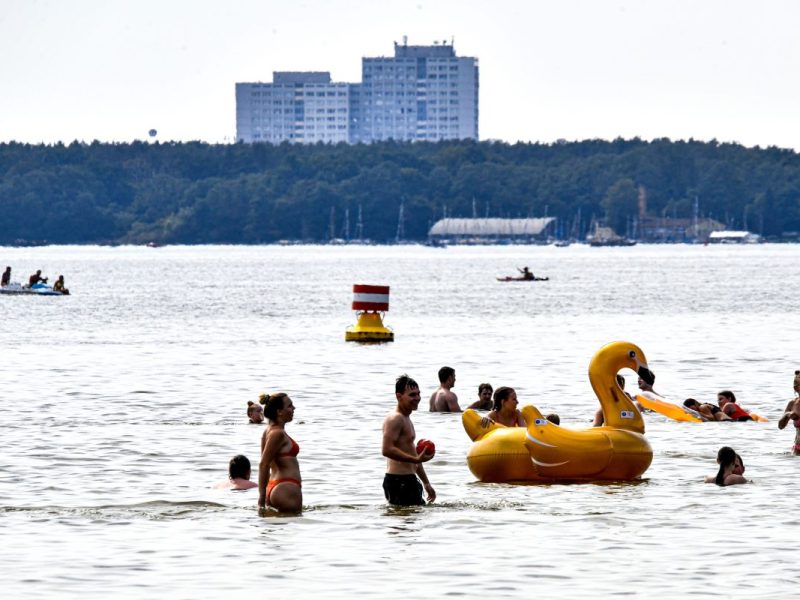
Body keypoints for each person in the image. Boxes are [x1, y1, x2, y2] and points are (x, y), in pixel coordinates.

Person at [382, 374, 436, 506]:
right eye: (412, 395)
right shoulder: (395, 418)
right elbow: (386, 449)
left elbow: (414, 455)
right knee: (406, 524)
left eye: (418, 394)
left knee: (413, 522)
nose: (417, 398)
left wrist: (426, 482)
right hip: (398, 481)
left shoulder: (406, 418)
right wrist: (415, 459)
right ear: (398, 396)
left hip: (408, 479)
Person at [257, 392, 302, 514]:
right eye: (289, 406)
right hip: (286, 488)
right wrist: (261, 499)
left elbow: (265, 464)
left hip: (275, 487)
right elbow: (264, 464)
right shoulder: (278, 433)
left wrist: (265, 494)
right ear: (279, 412)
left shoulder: (267, 432)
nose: (293, 408)